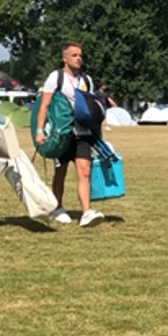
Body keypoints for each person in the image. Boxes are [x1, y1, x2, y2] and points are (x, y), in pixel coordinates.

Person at [34, 41, 105, 227]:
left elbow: (90, 106)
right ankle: (57, 207)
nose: (79, 58)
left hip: (83, 132)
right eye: (74, 55)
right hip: (61, 133)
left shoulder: (86, 80)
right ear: (64, 58)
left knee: (85, 171)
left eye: (80, 55)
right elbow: (44, 105)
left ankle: (86, 212)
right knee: (61, 171)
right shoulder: (55, 78)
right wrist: (40, 131)